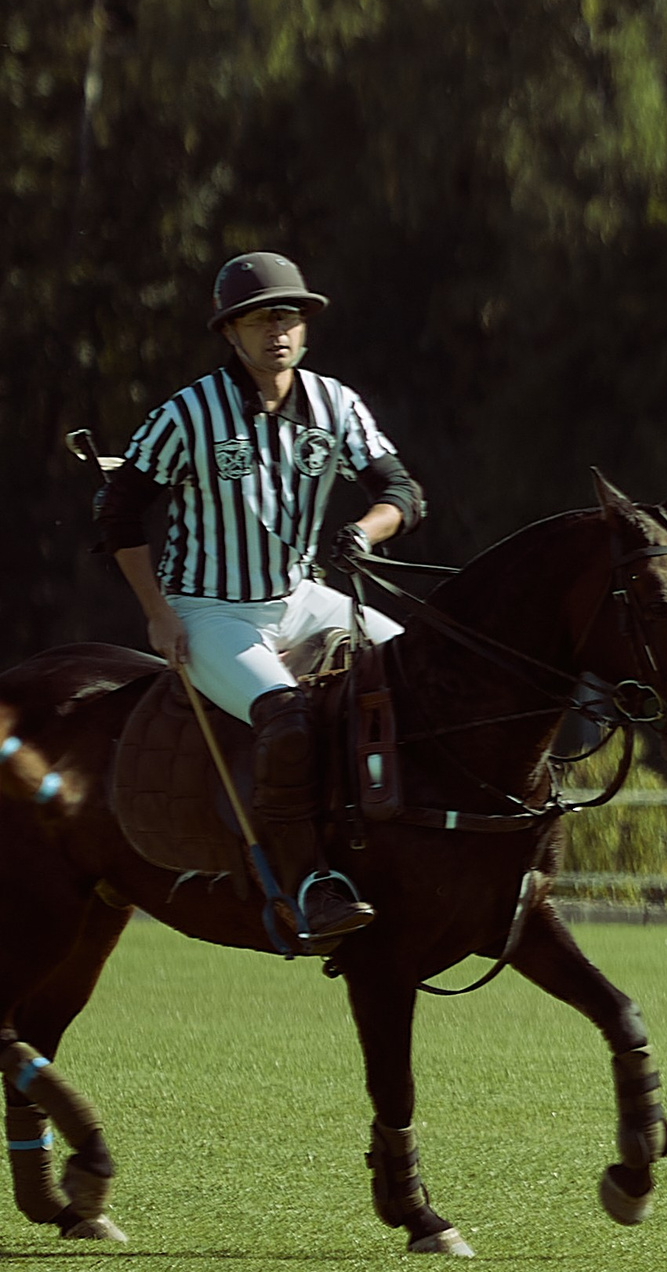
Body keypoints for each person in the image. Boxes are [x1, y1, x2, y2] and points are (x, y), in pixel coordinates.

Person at [94, 252, 426, 945]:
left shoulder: (337, 403)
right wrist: (157, 611)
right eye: (258, 318)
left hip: (300, 595)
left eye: (287, 315)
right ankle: (309, 883)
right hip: (210, 608)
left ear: (304, 326)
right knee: (287, 718)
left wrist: (365, 531)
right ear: (230, 333)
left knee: (416, 671)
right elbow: (119, 512)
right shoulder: (188, 412)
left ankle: (412, 850)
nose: (276, 330)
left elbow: (401, 491)